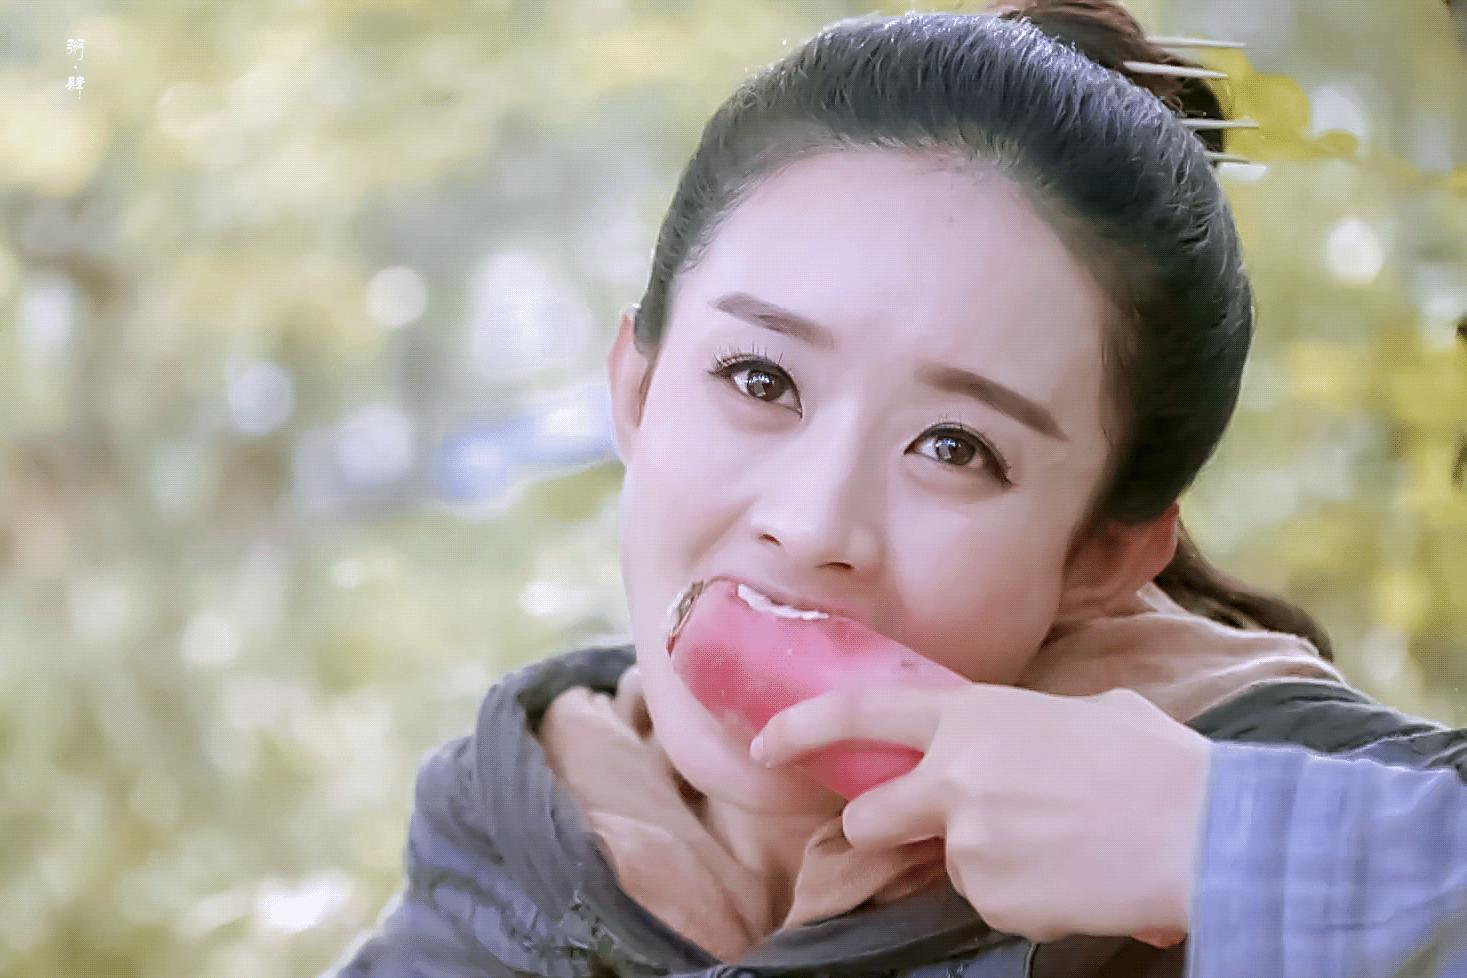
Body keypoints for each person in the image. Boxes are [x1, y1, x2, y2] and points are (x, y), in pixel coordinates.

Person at [327, 3, 1467, 977]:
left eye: (955, 447)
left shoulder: (1306, 809)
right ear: (637, 388)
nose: (813, 524)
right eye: (760, 379)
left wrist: (1217, 844)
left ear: (1100, 557)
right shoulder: (491, 873)